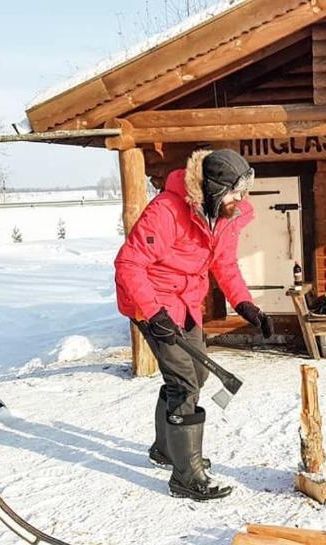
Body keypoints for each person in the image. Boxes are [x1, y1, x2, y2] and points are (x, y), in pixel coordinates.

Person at [114, 149, 274, 501]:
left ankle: (167, 449)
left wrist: (246, 305)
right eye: (235, 191)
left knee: (196, 375)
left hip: (186, 301)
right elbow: (128, 264)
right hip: (149, 301)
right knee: (185, 382)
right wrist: (154, 314)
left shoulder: (224, 215)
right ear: (215, 188)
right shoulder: (167, 211)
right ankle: (185, 476)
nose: (241, 199)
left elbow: (225, 265)